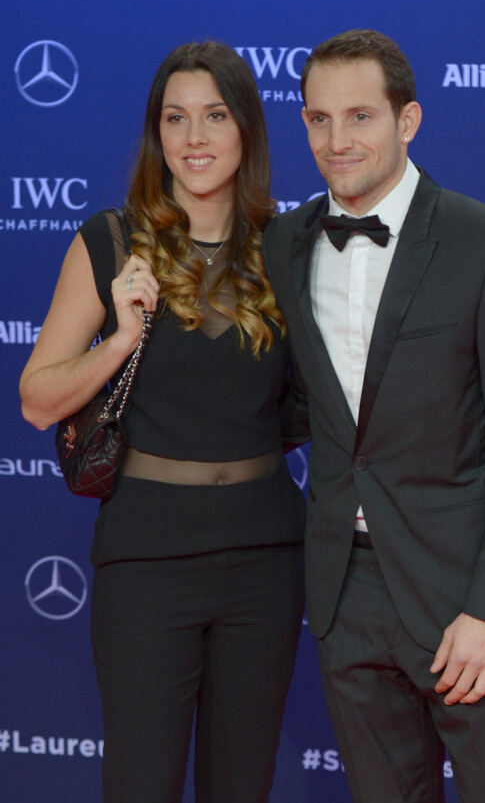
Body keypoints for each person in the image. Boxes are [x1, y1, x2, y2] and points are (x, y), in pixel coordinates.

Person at [262, 29, 485, 803]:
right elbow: (301, 405)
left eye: (360, 116)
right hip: (345, 596)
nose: (337, 140)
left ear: (408, 121)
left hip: (463, 588)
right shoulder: (285, 242)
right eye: (318, 119)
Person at [19, 41, 306, 803]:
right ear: (157, 134)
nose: (194, 137)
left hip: (265, 559)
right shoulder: (110, 242)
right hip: (148, 561)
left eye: (215, 115)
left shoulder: (286, 247)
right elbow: (38, 398)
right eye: (175, 118)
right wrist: (118, 336)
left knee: (241, 786)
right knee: (141, 783)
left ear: (246, 129)